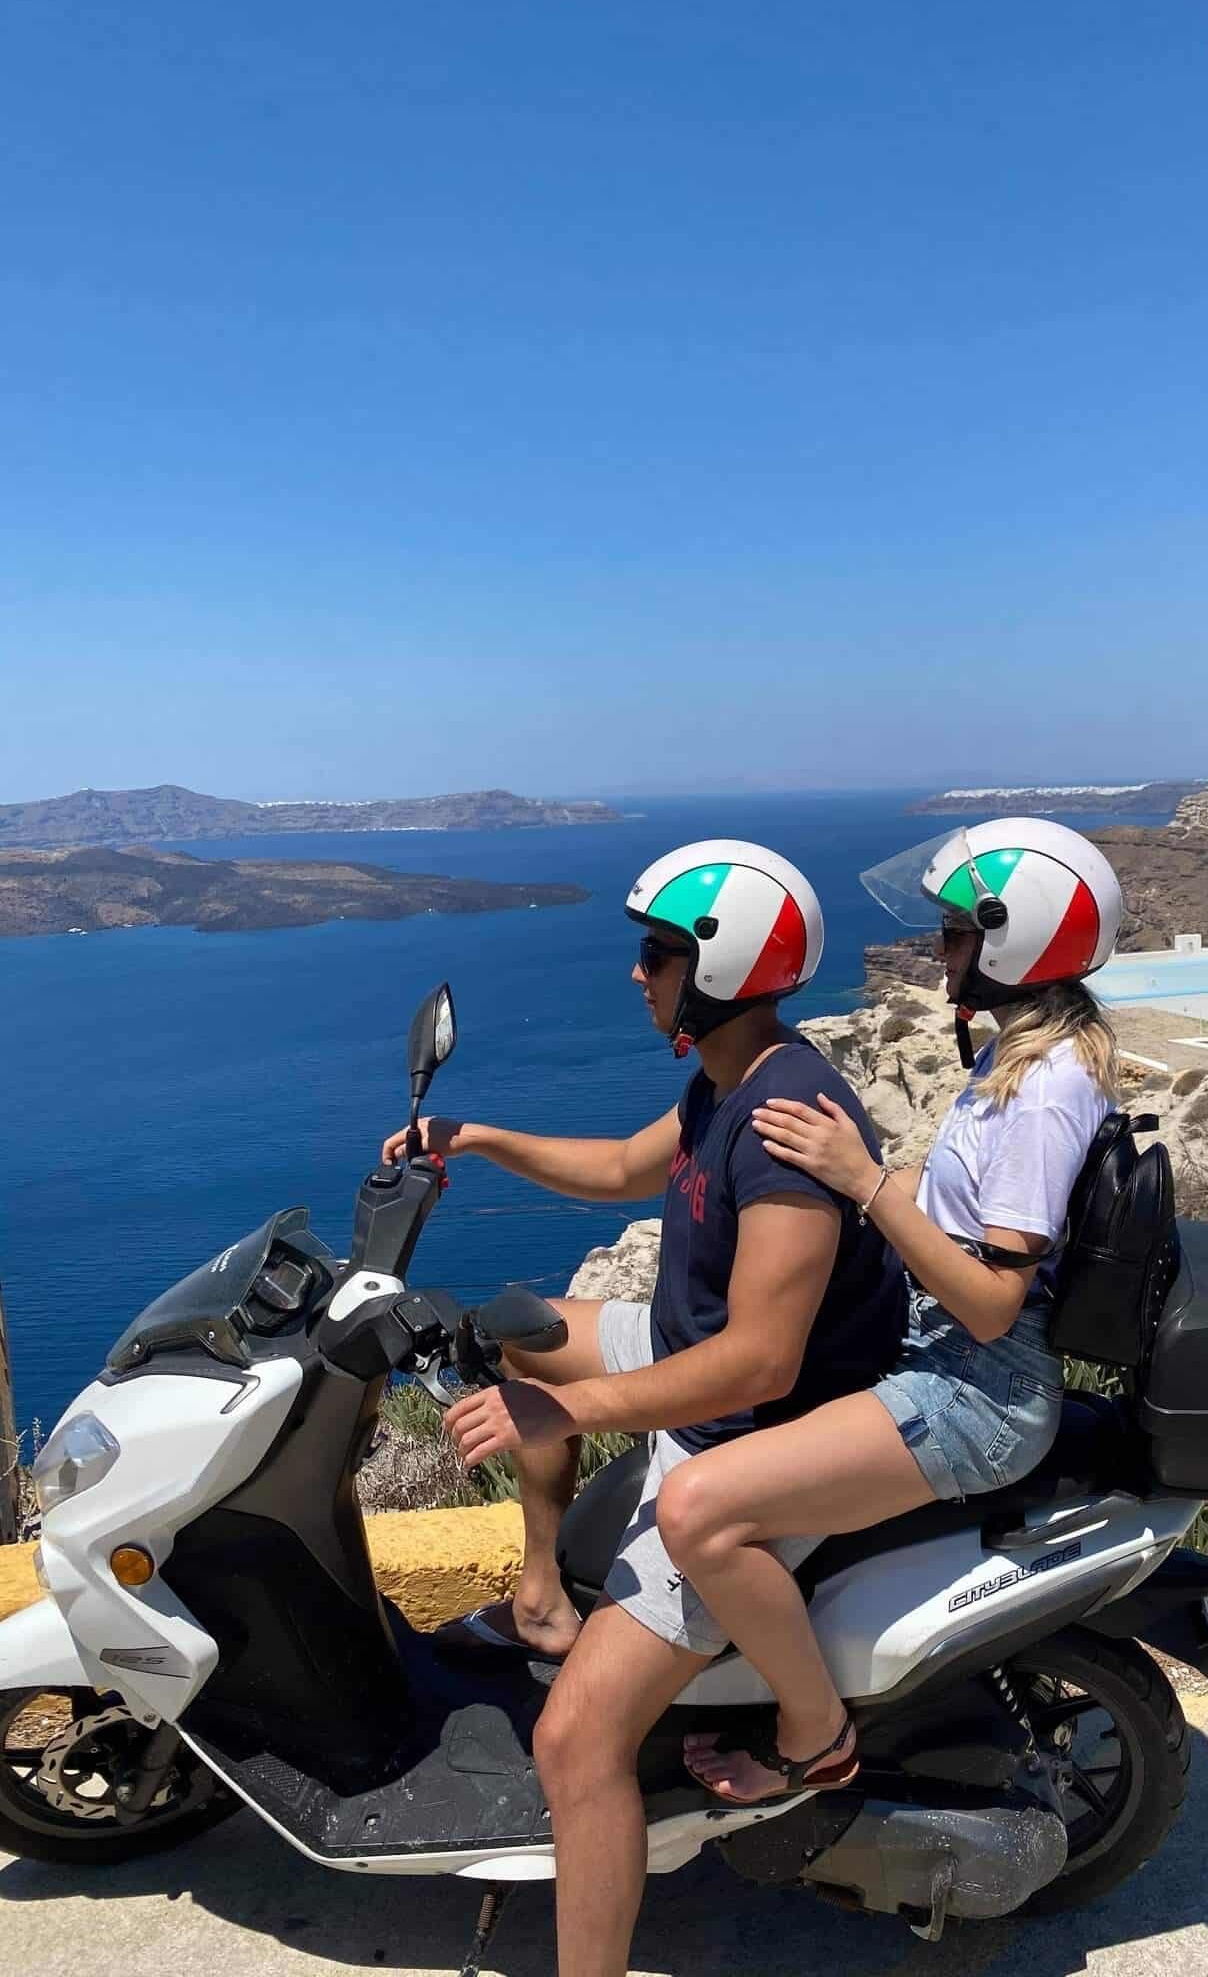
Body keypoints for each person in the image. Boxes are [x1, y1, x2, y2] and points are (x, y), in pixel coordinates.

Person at [381, 838, 906, 1977]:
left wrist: (568, 1412)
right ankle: (540, 1592)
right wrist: (472, 1135)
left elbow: (760, 1364)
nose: (637, 973)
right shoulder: (726, 1073)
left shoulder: (786, 1122)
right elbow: (625, 1166)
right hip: (694, 1359)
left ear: (723, 966)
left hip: (763, 1432)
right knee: (523, 1326)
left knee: (576, 1737)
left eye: (658, 953)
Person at [653, 818, 1123, 1807]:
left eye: (956, 932)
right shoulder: (1026, 1057)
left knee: (699, 1512)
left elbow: (995, 1302)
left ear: (1014, 940)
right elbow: (969, 1216)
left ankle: (812, 1733)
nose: (939, 949)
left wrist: (866, 1186)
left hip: (972, 1392)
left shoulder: (1042, 1091)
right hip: (938, 1356)